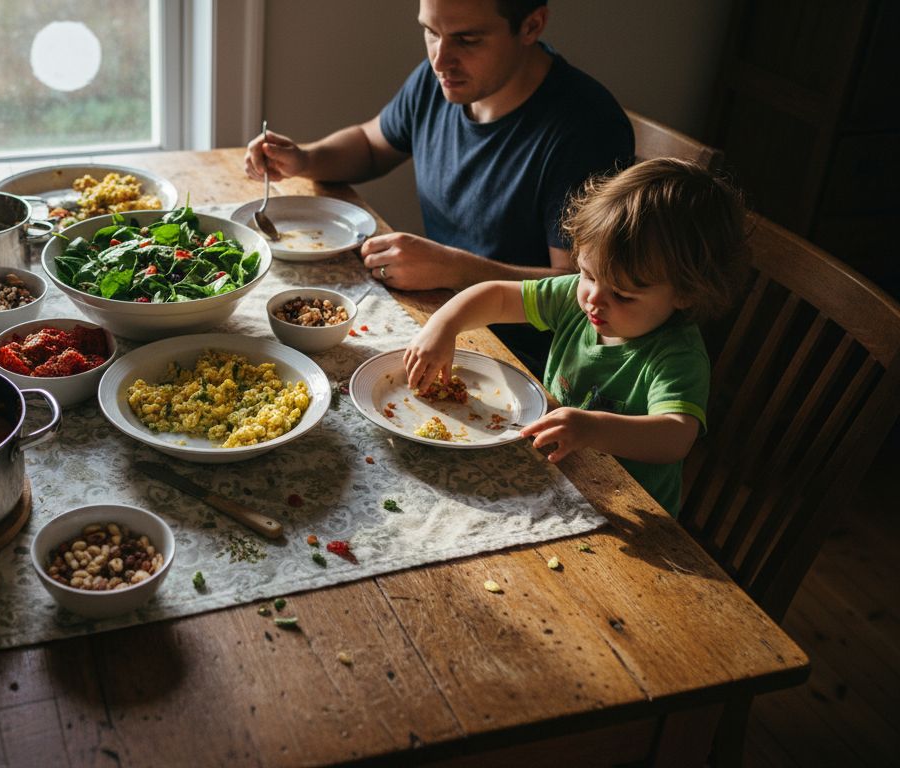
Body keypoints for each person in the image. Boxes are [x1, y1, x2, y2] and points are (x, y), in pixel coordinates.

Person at [243, 0, 634, 373]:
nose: (439, 59)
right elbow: (371, 144)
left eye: (467, 39)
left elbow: (575, 289)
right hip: (438, 320)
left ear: (531, 26)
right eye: (431, 32)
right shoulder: (443, 80)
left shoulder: (587, 130)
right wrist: (305, 159)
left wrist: (454, 269)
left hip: (526, 364)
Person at [402, 159, 749, 516]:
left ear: (686, 294)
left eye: (623, 295)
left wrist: (592, 428)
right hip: (558, 474)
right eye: (586, 273)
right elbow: (498, 296)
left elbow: (675, 437)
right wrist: (443, 325)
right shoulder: (579, 297)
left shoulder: (677, 355)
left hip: (627, 510)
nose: (594, 298)